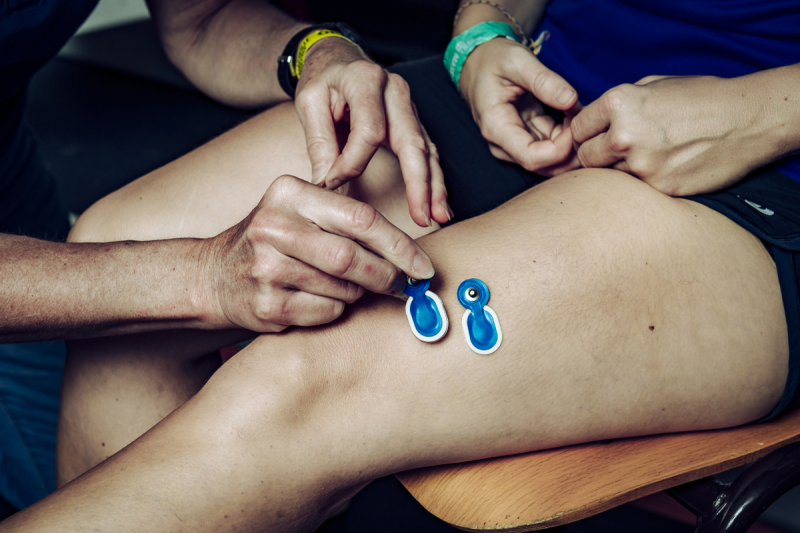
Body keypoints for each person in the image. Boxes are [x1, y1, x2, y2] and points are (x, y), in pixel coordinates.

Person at [4, 0, 800, 531]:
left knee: (303, 382)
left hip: (761, 157)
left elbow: (202, 18)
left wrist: (755, 114)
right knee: (120, 244)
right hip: (543, 101)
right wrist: (482, 30)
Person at [0, 0, 448, 512]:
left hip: (17, 203)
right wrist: (205, 276)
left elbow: (201, 19)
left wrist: (316, 50)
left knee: (76, 489)